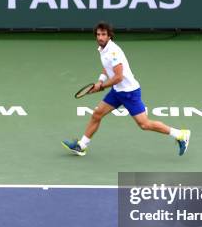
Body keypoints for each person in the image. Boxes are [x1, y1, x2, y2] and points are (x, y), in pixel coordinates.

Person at [62, 22, 190, 156]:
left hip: (129, 92)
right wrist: (100, 81)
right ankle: (81, 145)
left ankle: (180, 134)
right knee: (97, 114)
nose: (100, 37)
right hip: (117, 91)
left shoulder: (113, 51)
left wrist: (102, 87)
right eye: (98, 34)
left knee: (144, 124)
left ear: (109, 36)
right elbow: (107, 67)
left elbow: (119, 77)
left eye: (103, 34)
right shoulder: (103, 49)